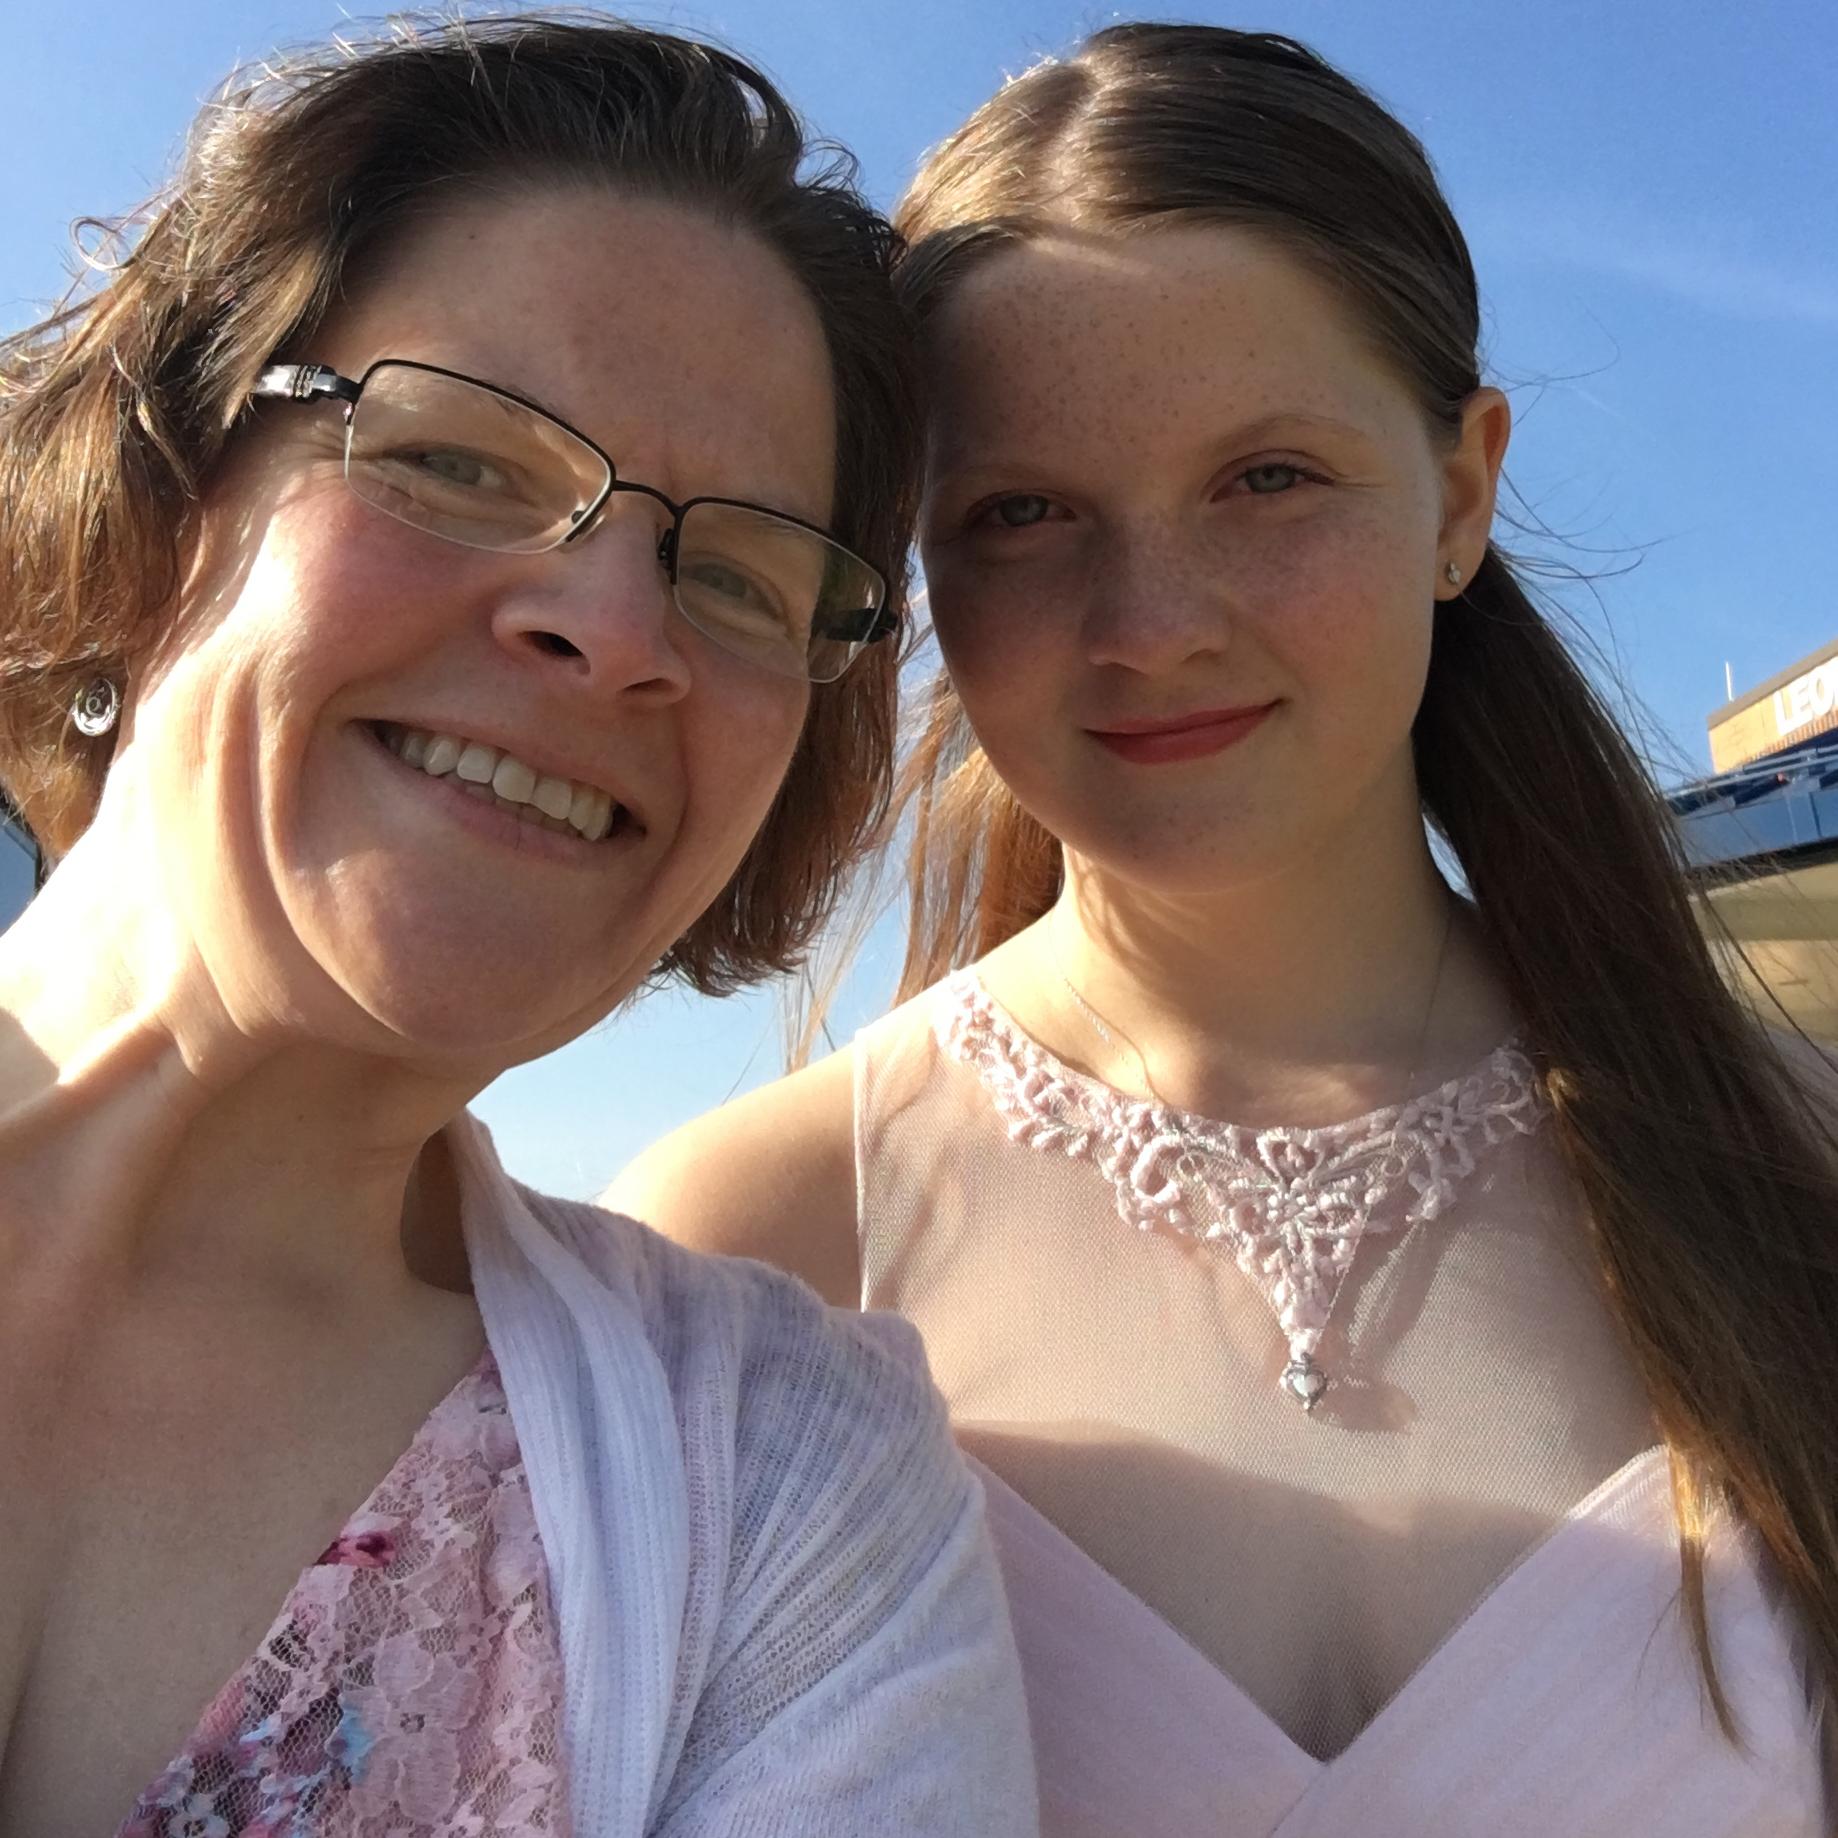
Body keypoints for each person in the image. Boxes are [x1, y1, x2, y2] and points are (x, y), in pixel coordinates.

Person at [611, 24, 1835, 1836]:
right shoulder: (750, 1248)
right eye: (1023, 513)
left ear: (1462, 493)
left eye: (1266, 478)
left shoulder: (1798, 1157)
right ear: (925, 564)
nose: (1151, 623)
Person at [0, 17, 1038, 1837]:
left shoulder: (781, 1488)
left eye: (738, 576)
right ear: (160, 491)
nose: (618, 629)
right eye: (461, 458)